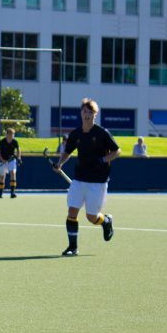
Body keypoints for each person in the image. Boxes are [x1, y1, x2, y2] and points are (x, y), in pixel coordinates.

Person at [53, 98, 120, 257]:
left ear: (95, 115)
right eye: (84, 111)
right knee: (72, 212)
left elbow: (117, 151)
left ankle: (106, 221)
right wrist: (60, 163)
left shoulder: (102, 133)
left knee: (91, 217)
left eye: (90, 112)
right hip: (78, 179)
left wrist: (103, 159)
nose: (87, 115)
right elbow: (67, 152)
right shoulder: (75, 134)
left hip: (97, 182)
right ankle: (72, 247)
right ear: (81, 113)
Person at [0, 127, 20, 198]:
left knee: (13, 173)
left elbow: (18, 149)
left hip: (11, 160)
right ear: (6, 135)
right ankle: (0, 193)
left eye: (12, 135)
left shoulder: (15, 142)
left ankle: (12, 193)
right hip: (2, 160)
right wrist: (2, 160)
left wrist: (18, 157)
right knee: (2, 177)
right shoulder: (2, 142)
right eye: (9, 135)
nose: (11, 137)